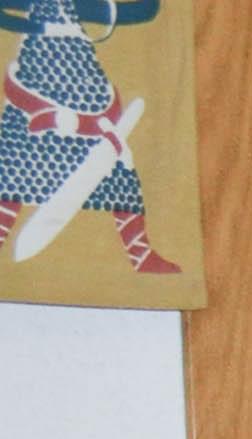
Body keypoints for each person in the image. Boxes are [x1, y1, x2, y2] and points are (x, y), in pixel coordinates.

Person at [0, 0, 184, 281]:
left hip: (86, 95)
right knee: (12, 175)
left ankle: (140, 253)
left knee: (119, 178)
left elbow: (145, 10)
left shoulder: (83, 10)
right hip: (35, 88)